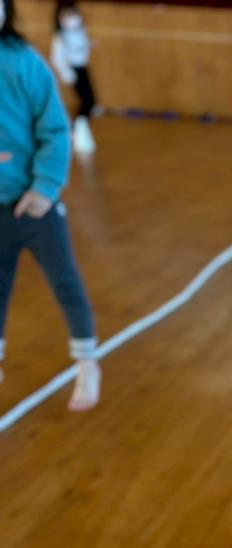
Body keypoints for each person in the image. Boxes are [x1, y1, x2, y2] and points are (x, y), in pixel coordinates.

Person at [0, 0, 101, 409]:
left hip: (35, 208)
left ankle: (88, 364)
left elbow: (55, 129)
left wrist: (43, 188)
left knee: (65, 282)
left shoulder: (24, 63)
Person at [51, 0, 96, 154]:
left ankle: (78, 129)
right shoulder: (61, 37)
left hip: (82, 67)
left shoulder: (79, 30)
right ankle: (75, 130)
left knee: (90, 100)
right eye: (67, 15)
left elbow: (81, 46)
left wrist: (89, 45)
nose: (73, 17)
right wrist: (67, 73)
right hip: (74, 70)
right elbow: (57, 58)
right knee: (88, 100)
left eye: (74, 13)